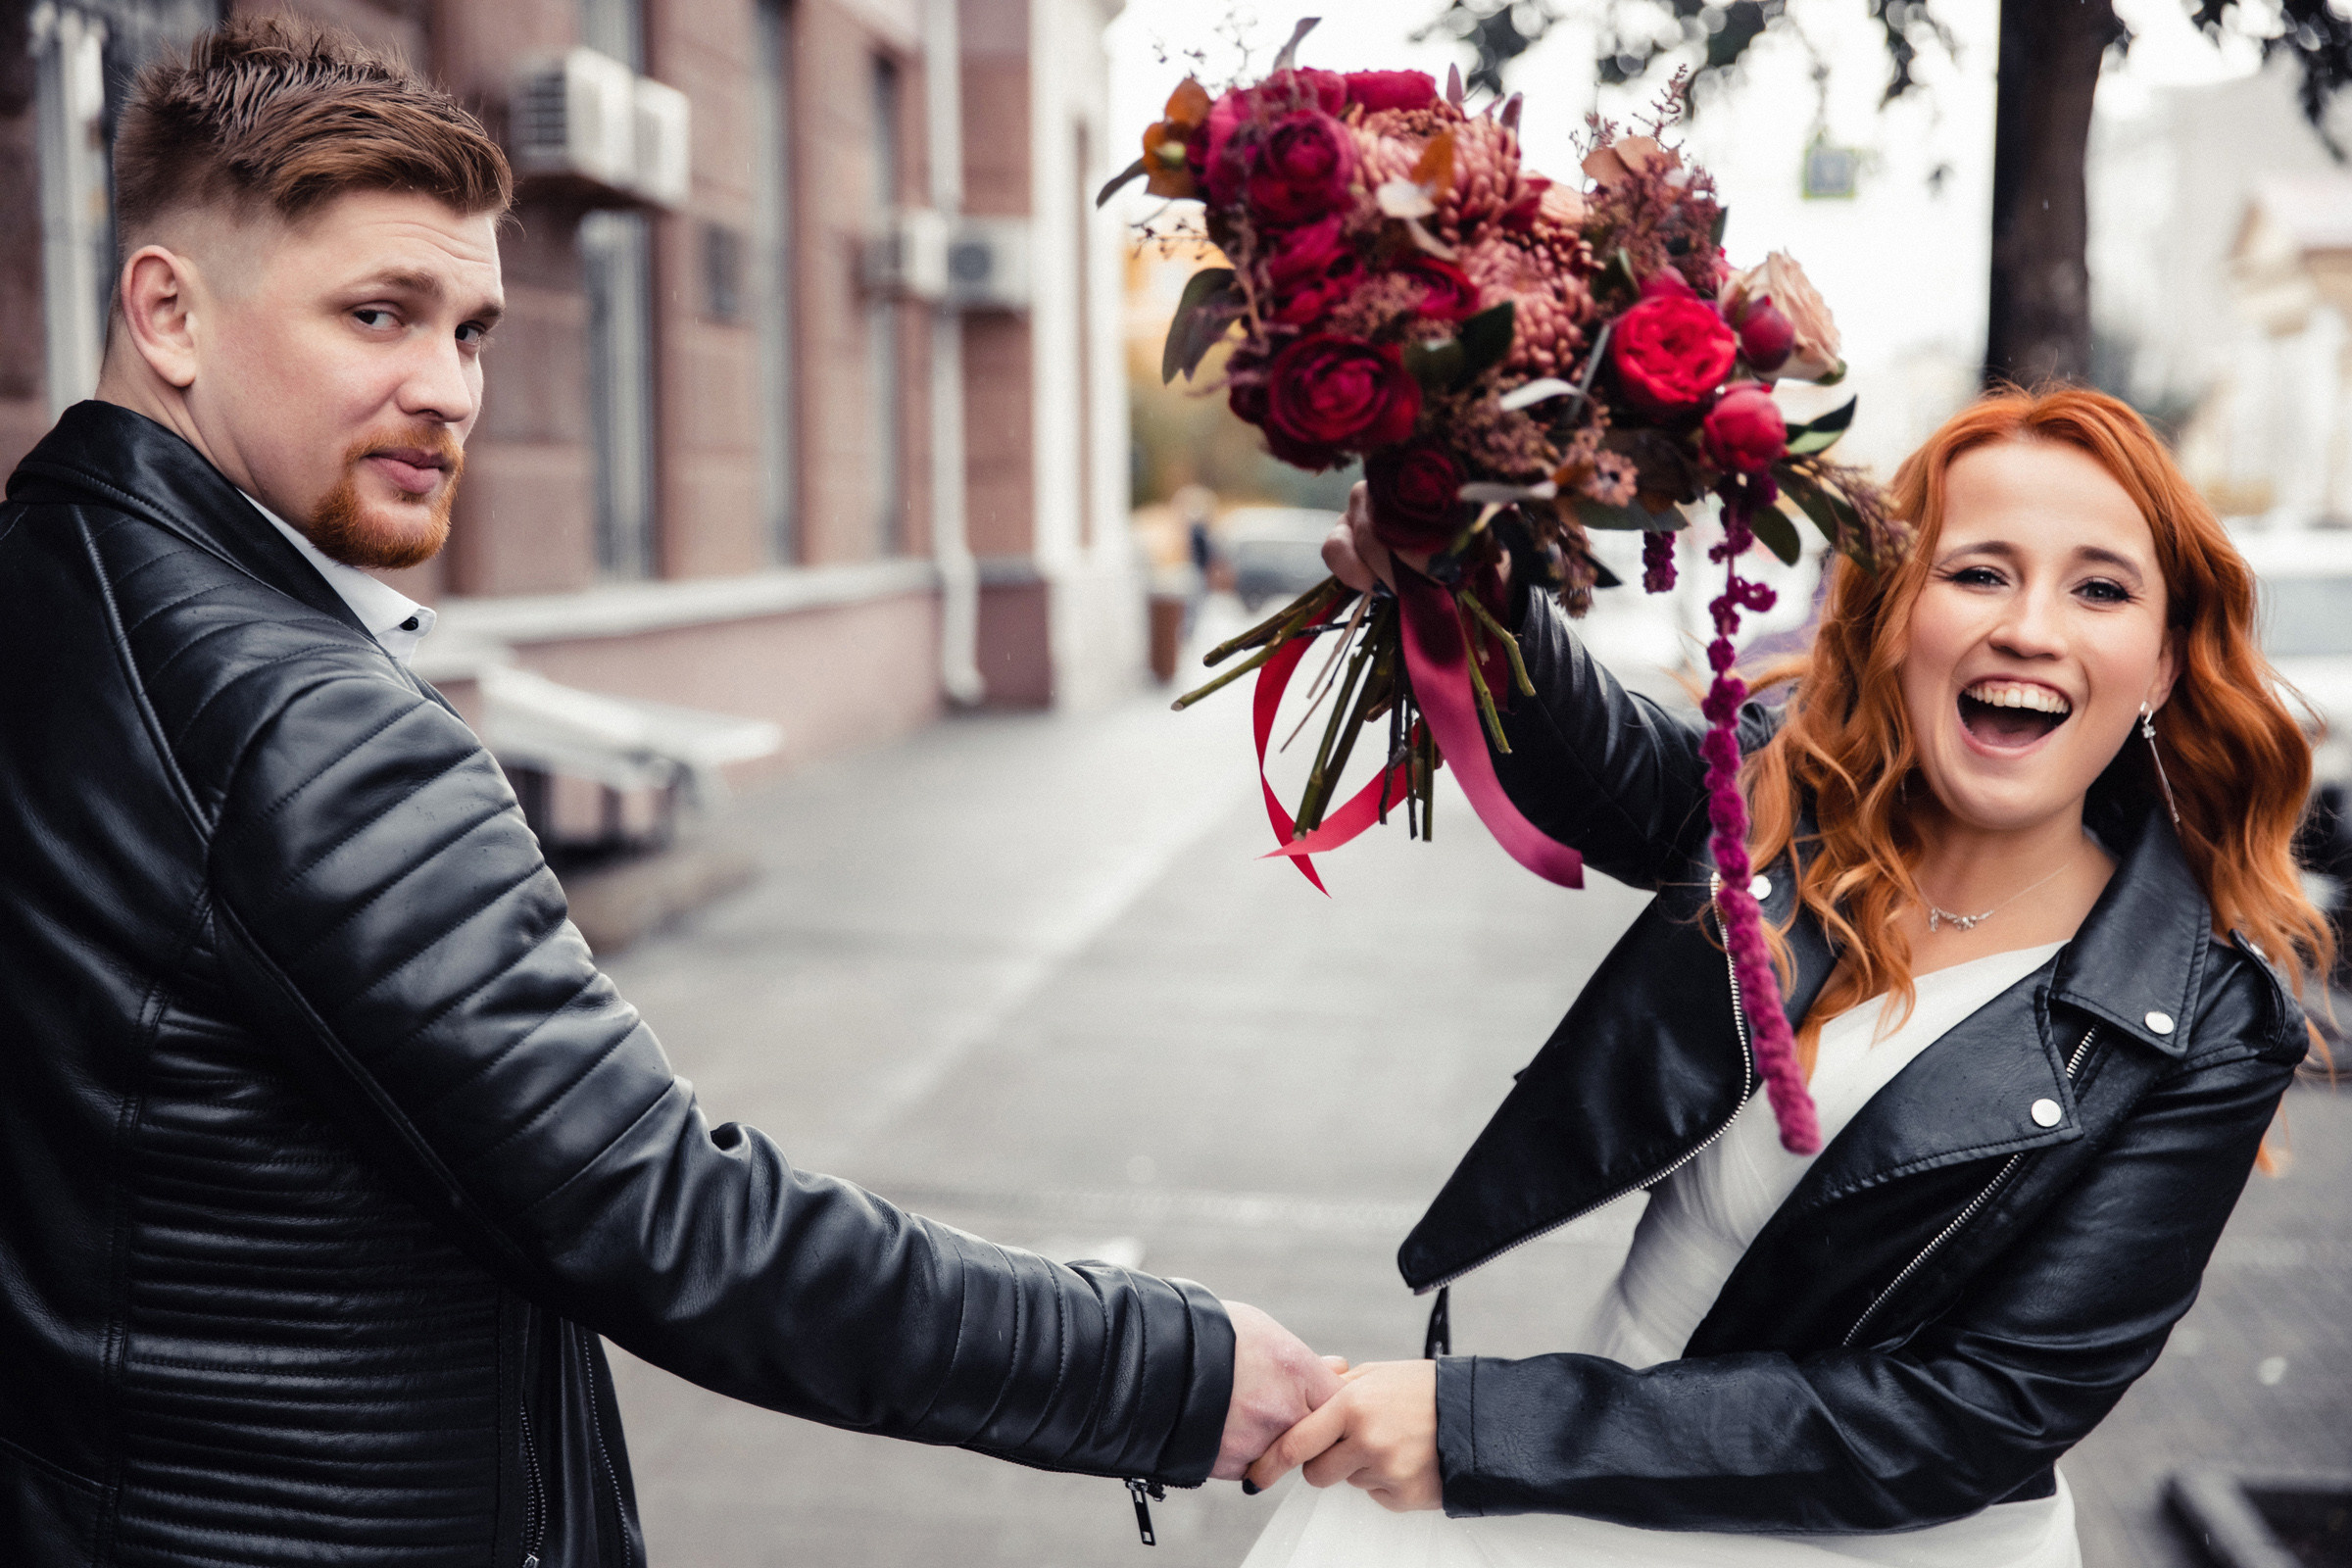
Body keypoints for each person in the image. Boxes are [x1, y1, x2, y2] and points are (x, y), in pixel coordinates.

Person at [0, 20, 1340, 1566]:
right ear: (168, 313)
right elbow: (664, 1219)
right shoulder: (316, 732)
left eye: (474, 331)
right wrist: (1161, 1369)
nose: (446, 389)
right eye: (379, 314)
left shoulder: (50, 588)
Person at [1236, 386, 2324, 1566]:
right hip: (1619, 1474)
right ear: (1896, 611)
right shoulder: (1787, 804)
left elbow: (1971, 1416)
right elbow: (1589, 754)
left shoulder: (2211, 1020)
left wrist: (1480, 1425)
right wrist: (1458, 570)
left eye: (2100, 587)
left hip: (1886, 1541)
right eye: (1978, 572)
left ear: (2163, 661)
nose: (2030, 628)